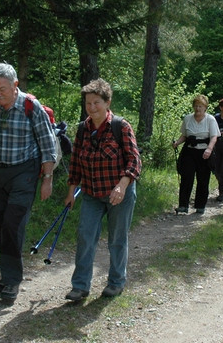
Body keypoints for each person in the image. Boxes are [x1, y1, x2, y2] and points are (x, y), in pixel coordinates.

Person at [0, 63, 57, 305]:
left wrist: (47, 179)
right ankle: (7, 275)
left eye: (2, 89)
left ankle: (13, 280)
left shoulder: (30, 107)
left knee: (12, 225)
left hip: (24, 174)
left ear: (15, 85)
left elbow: (48, 147)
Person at [64, 78, 141, 302]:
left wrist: (122, 185)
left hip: (120, 194)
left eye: (96, 102)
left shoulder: (121, 126)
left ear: (107, 102)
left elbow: (134, 161)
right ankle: (79, 287)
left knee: (117, 239)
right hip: (91, 194)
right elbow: (76, 163)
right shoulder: (82, 129)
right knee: (85, 237)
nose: (92, 108)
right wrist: (71, 192)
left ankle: (116, 283)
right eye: (88, 103)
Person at [172, 95, 220, 214]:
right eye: (196, 106)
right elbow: (184, 135)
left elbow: (214, 137)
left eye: (201, 106)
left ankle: (200, 205)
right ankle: (183, 205)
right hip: (189, 151)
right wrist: (177, 143)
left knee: (203, 179)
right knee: (186, 178)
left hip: (204, 152)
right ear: (193, 107)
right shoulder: (187, 119)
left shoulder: (210, 119)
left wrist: (209, 149)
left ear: (205, 107)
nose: (198, 109)